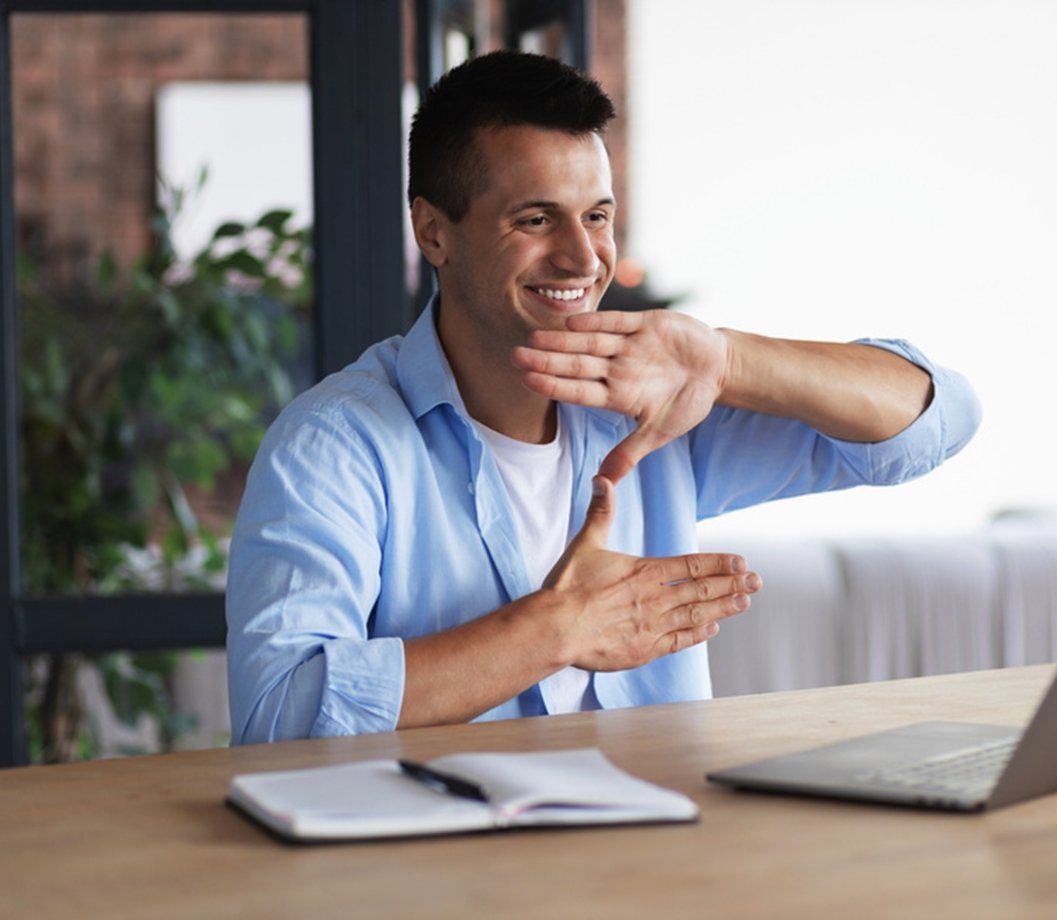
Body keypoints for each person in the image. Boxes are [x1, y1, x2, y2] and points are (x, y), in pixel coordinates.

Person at [226, 51, 981, 744]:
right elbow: (279, 715)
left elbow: (931, 424)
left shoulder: (655, 401)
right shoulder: (335, 443)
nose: (584, 257)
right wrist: (556, 630)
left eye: (597, 215)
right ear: (433, 232)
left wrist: (726, 360)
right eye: (536, 219)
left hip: (650, 867)